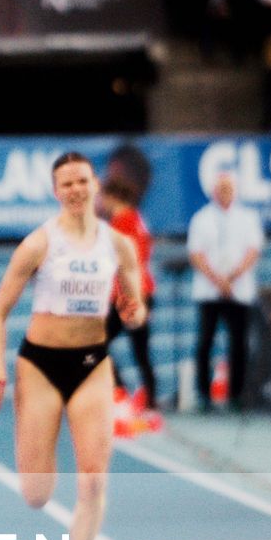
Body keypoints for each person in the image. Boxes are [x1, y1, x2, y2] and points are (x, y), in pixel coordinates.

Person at [0, 153, 147, 540]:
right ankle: (37, 440)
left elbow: (137, 308)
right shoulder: (39, 244)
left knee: (93, 480)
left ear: (96, 185)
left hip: (93, 363)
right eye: (66, 184)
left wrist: (134, 313)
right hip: (40, 366)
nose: (75, 190)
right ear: (56, 192)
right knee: (37, 494)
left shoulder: (118, 245)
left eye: (81, 181)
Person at [186, 172, 263, 411]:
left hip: (238, 290)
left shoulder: (248, 218)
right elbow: (196, 254)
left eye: (228, 188)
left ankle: (237, 395)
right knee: (205, 342)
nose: (224, 193)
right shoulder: (201, 218)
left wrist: (231, 278)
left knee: (239, 343)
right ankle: (203, 394)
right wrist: (218, 280)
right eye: (220, 188)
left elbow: (253, 250)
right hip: (209, 290)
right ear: (213, 191)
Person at [99, 177, 158, 418]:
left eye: (103, 197)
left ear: (112, 197)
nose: (100, 202)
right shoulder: (136, 218)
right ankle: (148, 400)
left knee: (98, 342)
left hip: (128, 294)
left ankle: (121, 392)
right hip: (140, 290)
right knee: (140, 350)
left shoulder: (121, 221)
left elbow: (126, 262)